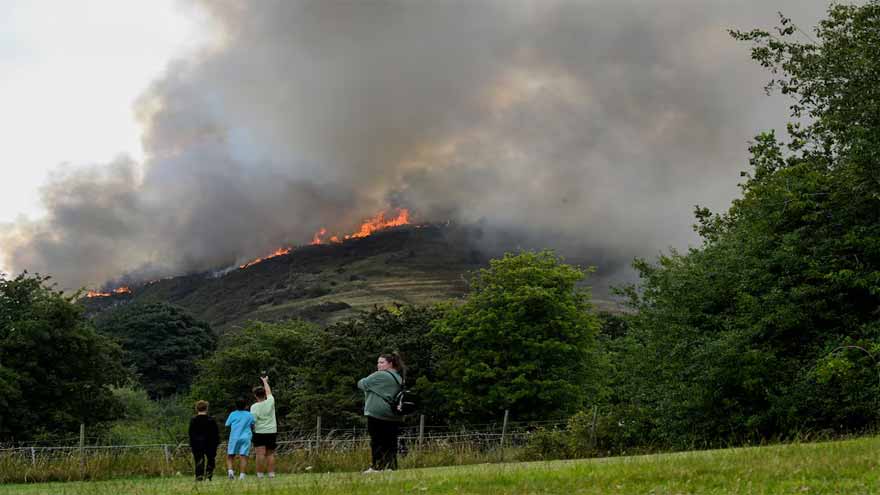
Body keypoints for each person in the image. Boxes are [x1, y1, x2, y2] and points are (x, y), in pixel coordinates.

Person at [357, 352, 405, 472]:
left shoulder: (381, 375)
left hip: (377, 413)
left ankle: (377, 466)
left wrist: (369, 381)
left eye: (382, 362)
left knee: (377, 441)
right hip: (393, 415)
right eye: (378, 362)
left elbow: (362, 384)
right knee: (390, 442)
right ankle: (391, 466)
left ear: (390, 363)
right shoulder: (398, 377)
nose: (378, 365)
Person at [250, 375, 277, 479]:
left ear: (255, 396)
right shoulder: (270, 401)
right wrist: (265, 382)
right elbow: (269, 392)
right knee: (270, 454)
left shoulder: (254, 407)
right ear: (264, 394)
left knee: (260, 454)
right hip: (271, 431)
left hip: (259, 431)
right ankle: (271, 474)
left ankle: (260, 474)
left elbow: (253, 421)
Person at [188, 400, 220, 481]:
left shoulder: (193, 420)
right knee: (211, 460)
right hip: (210, 443)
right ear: (206, 408)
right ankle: (208, 475)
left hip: (197, 444)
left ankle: (199, 477)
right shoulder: (211, 420)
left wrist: (192, 443)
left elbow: (191, 433)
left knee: (199, 461)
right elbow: (216, 433)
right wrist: (216, 443)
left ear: (196, 409)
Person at [225, 397, 254, 480]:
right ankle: (242, 475)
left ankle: (230, 472)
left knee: (230, 456)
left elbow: (227, 424)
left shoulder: (232, 414)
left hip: (234, 437)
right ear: (245, 406)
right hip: (246, 437)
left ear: (236, 406)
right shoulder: (249, 414)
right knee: (243, 456)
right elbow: (253, 424)